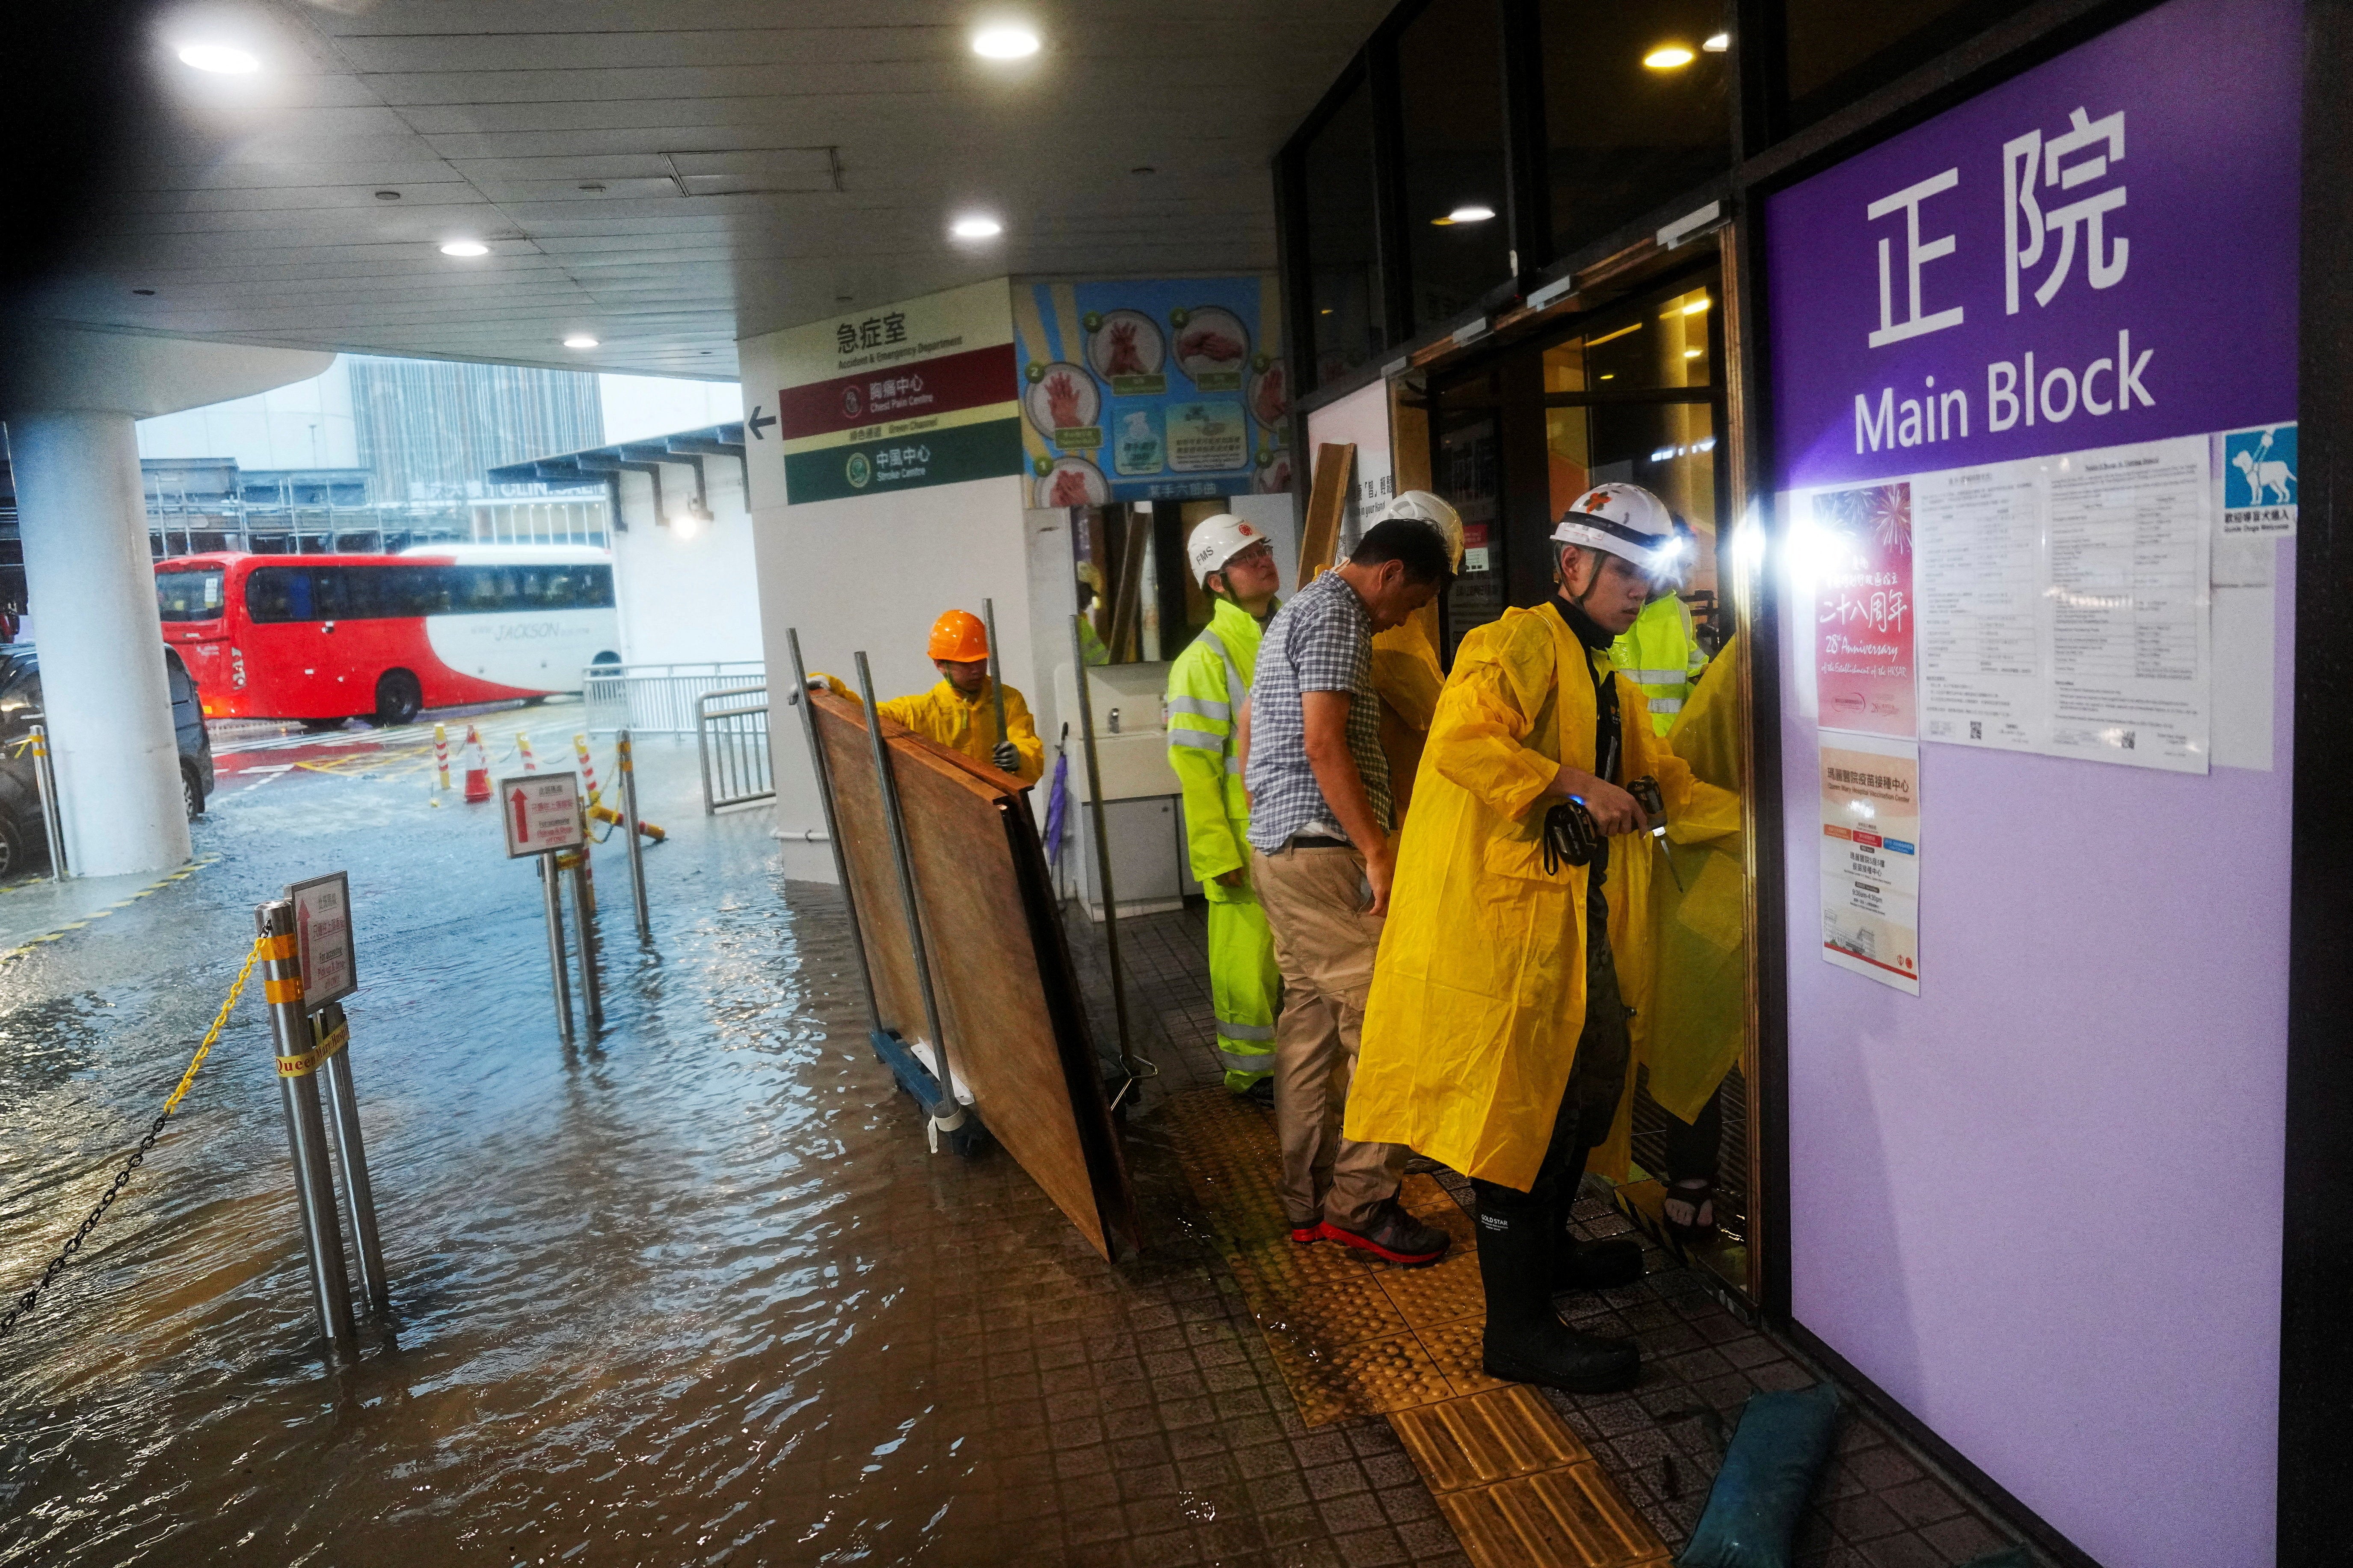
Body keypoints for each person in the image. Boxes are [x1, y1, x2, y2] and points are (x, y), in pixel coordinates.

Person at [1345, 483, 1739, 1390]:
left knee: (1588, 1090)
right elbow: (1462, 740)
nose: (1640, 590)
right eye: (1625, 571)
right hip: (1509, 946)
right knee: (1524, 1122)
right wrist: (1567, 782)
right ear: (1573, 566)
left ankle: (1549, 1255)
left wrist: (1770, 828)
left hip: (1573, 940)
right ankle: (1515, 1331)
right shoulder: (1516, 641)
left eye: (1650, 574)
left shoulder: (1604, 674)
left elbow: (1665, 781)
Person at [1245, 519, 1454, 1265]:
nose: (1405, 620)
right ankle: (1360, 1206)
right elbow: (1323, 742)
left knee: (1307, 1026)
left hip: (1281, 847)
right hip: (1324, 851)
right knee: (1391, 1022)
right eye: (1416, 601)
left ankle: (1306, 1204)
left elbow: (1253, 730)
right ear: (1392, 572)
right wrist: (1376, 849)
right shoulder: (1338, 613)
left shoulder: (1298, 610)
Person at [1167, 515, 1285, 1100]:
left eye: (1263, 548)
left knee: (1295, 961)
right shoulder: (1204, 658)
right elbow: (1195, 767)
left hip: (1296, 828)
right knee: (1248, 962)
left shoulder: (1292, 629)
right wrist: (1215, 853)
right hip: (1242, 839)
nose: (1263, 559)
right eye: (1246, 557)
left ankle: (1297, 1064)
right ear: (1217, 583)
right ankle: (1253, 1071)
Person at [1645, 635, 1746, 1236]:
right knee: (1700, 1019)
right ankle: (1693, 1172)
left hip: (1823, 865)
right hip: (1722, 863)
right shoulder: (1752, 654)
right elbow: (1681, 767)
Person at [1368, 491, 1463, 824]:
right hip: (1399, 809)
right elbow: (1439, 717)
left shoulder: (1322, 601)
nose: (1407, 617)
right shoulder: (1389, 629)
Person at [874, 609, 1046, 783]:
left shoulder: (1008, 700)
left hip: (1000, 805)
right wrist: (843, 693)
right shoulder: (919, 712)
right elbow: (863, 714)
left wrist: (1021, 759)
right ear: (940, 665)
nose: (977, 670)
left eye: (981, 660)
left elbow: (1029, 747)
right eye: (966, 664)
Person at [1609, 519, 1711, 736]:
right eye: (1676, 564)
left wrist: (1708, 672)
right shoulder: (1614, 606)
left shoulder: (1679, 610)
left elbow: (1689, 659)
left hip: (1670, 739)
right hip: (1622, 738)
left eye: (1685, 565)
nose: (1681, 575)